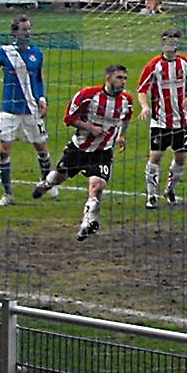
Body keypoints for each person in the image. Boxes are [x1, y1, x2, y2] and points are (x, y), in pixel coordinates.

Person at [32, 64, 133, 242]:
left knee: (97, 185)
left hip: (103, 151)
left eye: (125, 78)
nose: (123, 82)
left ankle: (87, 223)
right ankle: (47, 183)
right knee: (59, 178)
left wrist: (121, 136)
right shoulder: (87, 95)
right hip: (78, 149)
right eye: (119, 78)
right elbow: (68, 118)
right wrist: (90, 128)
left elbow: (126, 118)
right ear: (108, 78)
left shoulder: (126, 101)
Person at [0, 16, 57, 206]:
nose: (27, 33)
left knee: (41, 147)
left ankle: (47, 184)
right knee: (4, 151)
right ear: (14, 32)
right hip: (9, 110)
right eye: (23, 29)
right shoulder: (4, 52)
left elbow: (38, 79)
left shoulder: (37, 53)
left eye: (29, 29)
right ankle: (7, 194)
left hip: (32, 109)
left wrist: (42, 98)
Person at [137, 29, 187, 209]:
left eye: (173, 41)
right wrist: (145, 107)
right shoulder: (154, 65)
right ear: (162, 43)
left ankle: (170, 189)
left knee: (181, 158)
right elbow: (142, 90)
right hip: (160, 122)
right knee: (156, 156)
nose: (170, 44)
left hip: (182, 121)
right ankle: (151, 196)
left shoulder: (185, 63)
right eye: (167, 41)